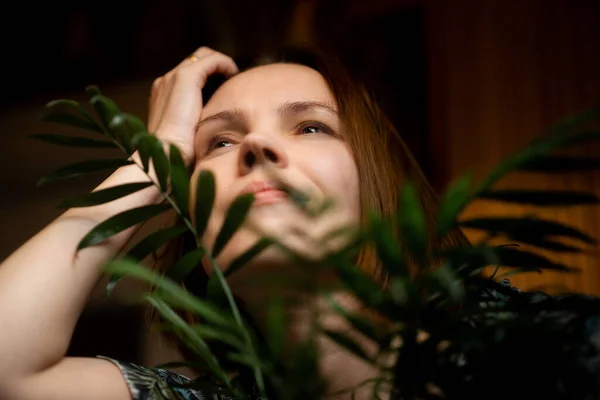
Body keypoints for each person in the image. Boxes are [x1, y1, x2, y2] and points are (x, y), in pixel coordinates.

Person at [0, 46, 466, 399]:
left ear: (378, 189)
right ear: (197, 240)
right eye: (219, 142)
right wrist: (152, 157)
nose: (257, 144)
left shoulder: (513, 357)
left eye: (311, 127)